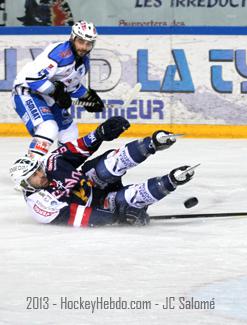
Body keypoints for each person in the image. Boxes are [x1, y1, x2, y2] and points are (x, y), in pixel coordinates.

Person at [9, 116, 196, 227]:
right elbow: (78, 216)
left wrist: (99, 133)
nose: (41, 174)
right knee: (129, 199)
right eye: (33, 176)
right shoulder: (39, 206)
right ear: (24, 185)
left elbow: (78, 148)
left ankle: (153, 143)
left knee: (110, 165)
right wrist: (119, 218)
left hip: (93, 181)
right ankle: (172, 181)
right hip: (99, 206)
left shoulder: (51, 162)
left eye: (38, 169)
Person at [12, 20, 104, 158]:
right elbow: (32, 79)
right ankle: (30, 174)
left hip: (47, 96)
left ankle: (60, 169)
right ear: (72, 38)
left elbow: (71, 86)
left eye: (88, 43)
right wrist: (55, 92)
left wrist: (87, 96)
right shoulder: (59, 53)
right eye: (81, 41)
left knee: (69, 132)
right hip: (26, 91)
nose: (84, 47)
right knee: (49, 128)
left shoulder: (83, 62)